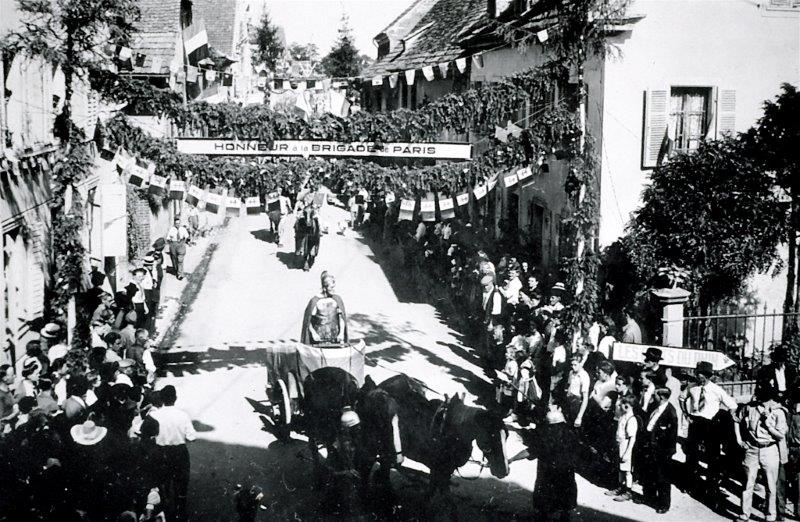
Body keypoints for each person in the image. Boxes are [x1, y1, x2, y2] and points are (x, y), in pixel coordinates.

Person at [683, 360, 739, 499]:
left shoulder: (716, 390)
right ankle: (690, 483)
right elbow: (682, 398)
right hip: (695, 422)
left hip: (710, 425)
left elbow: (733, 405)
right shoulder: (692, 387)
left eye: (703, 375)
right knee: (691, 454)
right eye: (698, 374)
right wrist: (686, 414)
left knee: (712, 456)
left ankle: (711, 486)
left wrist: (725, 418)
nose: (700, 378)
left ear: (709, 376)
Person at [735, 385, 788, 522]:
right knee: (748, 484)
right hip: (752, 449)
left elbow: (781, 436)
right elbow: (736, 419)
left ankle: (770, 516)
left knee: (771, 485)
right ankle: (745, 514)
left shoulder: (778, 412)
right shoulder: (749, 408)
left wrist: (768, 424)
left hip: (770, 450)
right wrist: (739, 439)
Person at [149, 385, 196, 522]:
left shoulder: (154, 415)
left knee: (163, 484)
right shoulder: (183, 415)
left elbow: (145, 434)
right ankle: (180, 513)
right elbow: (191, 437)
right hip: (179, 452)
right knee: (181, 485)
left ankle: (165, 512)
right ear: (175, 398)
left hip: (161, 453)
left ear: (161, 399)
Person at [529, 400, 579, 520]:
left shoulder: (544, 437)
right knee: (565, 495)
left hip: (547, 473)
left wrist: (511, 459)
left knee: (545, 496)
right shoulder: (571, 435)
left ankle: (543, 515)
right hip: (566, 472)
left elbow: (531, 452)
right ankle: (565, 515)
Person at [640, 387, 679, 514]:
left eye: (654, 395)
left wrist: (668, 452)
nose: (652, 397)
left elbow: (672, 436)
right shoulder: (655, 407)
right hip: (651, 446)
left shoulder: (670, 413)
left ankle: (663, 504)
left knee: (663, 477)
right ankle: (649, 497)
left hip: (662, 450)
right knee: (649, 473)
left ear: (661, 397)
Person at [300, 272, 348, 345]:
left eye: (334, 287)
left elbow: (341, 318)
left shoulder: (337, 299)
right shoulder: (315, 301)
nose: (333, 290)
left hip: (335, 337)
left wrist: (341, 333)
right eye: (331, 287)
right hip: (318, 338)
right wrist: (313, 333)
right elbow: (308, 321)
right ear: (324, 288)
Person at [607, 394, 638, 502]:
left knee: (627, 470)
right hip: (620, 444)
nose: (623, 406)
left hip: (626, 446)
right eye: (623, 404)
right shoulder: (622, 416)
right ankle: (620, 487)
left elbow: (632, 438)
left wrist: (627, 453)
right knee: (620, 468)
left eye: (626, 405)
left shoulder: (632, 419)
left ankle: (628, 492)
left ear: (631, 406)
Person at [565, 352, 590, 428]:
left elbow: (585, 398)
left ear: (581, 363)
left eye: (575, 365)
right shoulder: (571, 373)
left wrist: (579, 417)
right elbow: (569, 385)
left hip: (577, 404)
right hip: (569, 402)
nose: (573, 367)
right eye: (571, 365)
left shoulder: (584, 376)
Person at [296, 205, 321, 271]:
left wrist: (316, 207)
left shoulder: (315, 198)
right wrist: (302, 206)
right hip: (304, 210)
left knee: (319, 218)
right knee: (298, 218)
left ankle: (320, 230)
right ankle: (298, 233)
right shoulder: (303, 197)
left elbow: (318, 203)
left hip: (312, 210)